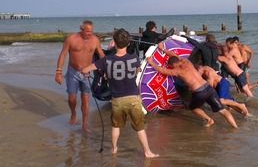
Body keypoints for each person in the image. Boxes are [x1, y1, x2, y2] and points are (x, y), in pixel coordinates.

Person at [81, 29, 159, 158]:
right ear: (128, 43)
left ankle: (114, 149)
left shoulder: (106, 60)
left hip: (117, 100)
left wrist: (87, 72)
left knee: (116, 126)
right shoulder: (134, 58)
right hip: (133, 98)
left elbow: (85, 69)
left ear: (114, 43)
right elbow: (138, 70)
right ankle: (147, 152)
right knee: (139, 127)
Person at [147, 43, 238, 128]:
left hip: (199, 92)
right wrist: (163, 49)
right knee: (222, 110)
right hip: (208, 88)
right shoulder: (186, 61)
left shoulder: (177, 71)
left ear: (173, 65)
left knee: (193, 108)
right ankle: (235, 127)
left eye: (171, 66)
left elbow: (162, 70)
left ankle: (209, 120)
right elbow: (173, 55)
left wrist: (152, 63)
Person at [55, 20, 105, 132]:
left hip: (87, 74)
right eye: (87, 31)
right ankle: (73, 113)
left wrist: (107, 69)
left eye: (91, 31)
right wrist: (58, 72)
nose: (89, 33)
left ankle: (85, 124)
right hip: (73, 72)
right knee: (72, 98)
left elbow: (101, 55)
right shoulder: (71, 39)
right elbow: (63, 54)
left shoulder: (95, 40)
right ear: (81, 29)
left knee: (85, 99)